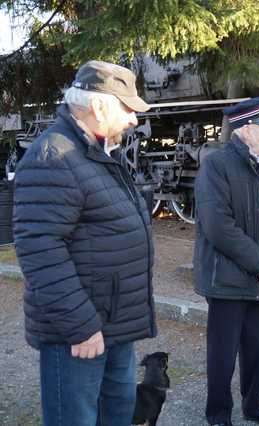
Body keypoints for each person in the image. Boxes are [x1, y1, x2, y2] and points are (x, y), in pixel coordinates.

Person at [12, 60, 156, 426]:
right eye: (128, 109)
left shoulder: (98, 152)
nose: (134, 120)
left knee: (118, 415)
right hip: (80, 333)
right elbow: (40, 250)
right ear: (98, 107)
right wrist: (81, 326)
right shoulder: (55, 156)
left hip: (114, 326)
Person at [194, 96, 259, 426]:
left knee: (257, 351)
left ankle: (254, 407)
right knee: (222, 355)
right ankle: (219, 415)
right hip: (227, 279)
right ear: (246, 128)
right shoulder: (216, 165)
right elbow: (218, 226)